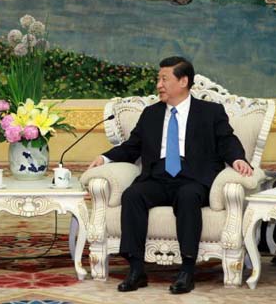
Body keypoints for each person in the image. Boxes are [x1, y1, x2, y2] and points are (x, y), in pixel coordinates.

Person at [88, 56, 253, 294]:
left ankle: (187, 270)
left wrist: (237, 159)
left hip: (193, 177)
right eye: (159, 79)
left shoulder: (210, 112)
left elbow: (227, 140)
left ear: (183, 81)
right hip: (158, 176)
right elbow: (132, 146)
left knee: (188, 196)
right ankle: (136, 269)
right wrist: (105, 158)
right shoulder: (151, 113)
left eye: (164, 79)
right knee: (133, 195)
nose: (159, 85)